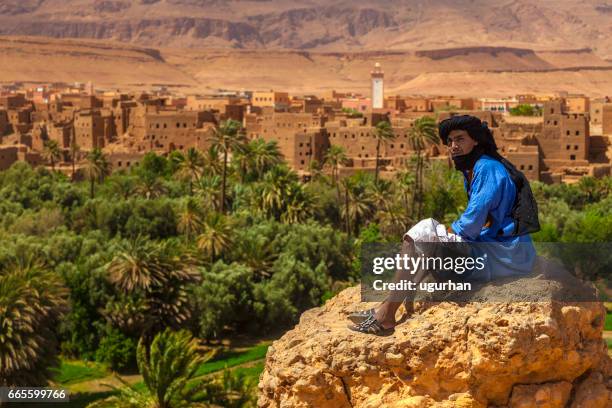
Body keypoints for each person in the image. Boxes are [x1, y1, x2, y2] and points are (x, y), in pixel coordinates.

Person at [348, 115, 538, 335]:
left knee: (424, 229)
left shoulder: (486, 168)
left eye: (460, 139)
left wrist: (446, 236)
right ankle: (385, 309)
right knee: (429, 240)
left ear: (475, 140)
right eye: (450, 141)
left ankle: (385, 316)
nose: (453, 146)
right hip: (502, 252)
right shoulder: (478, 167)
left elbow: (472, 223)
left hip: (504, 256)